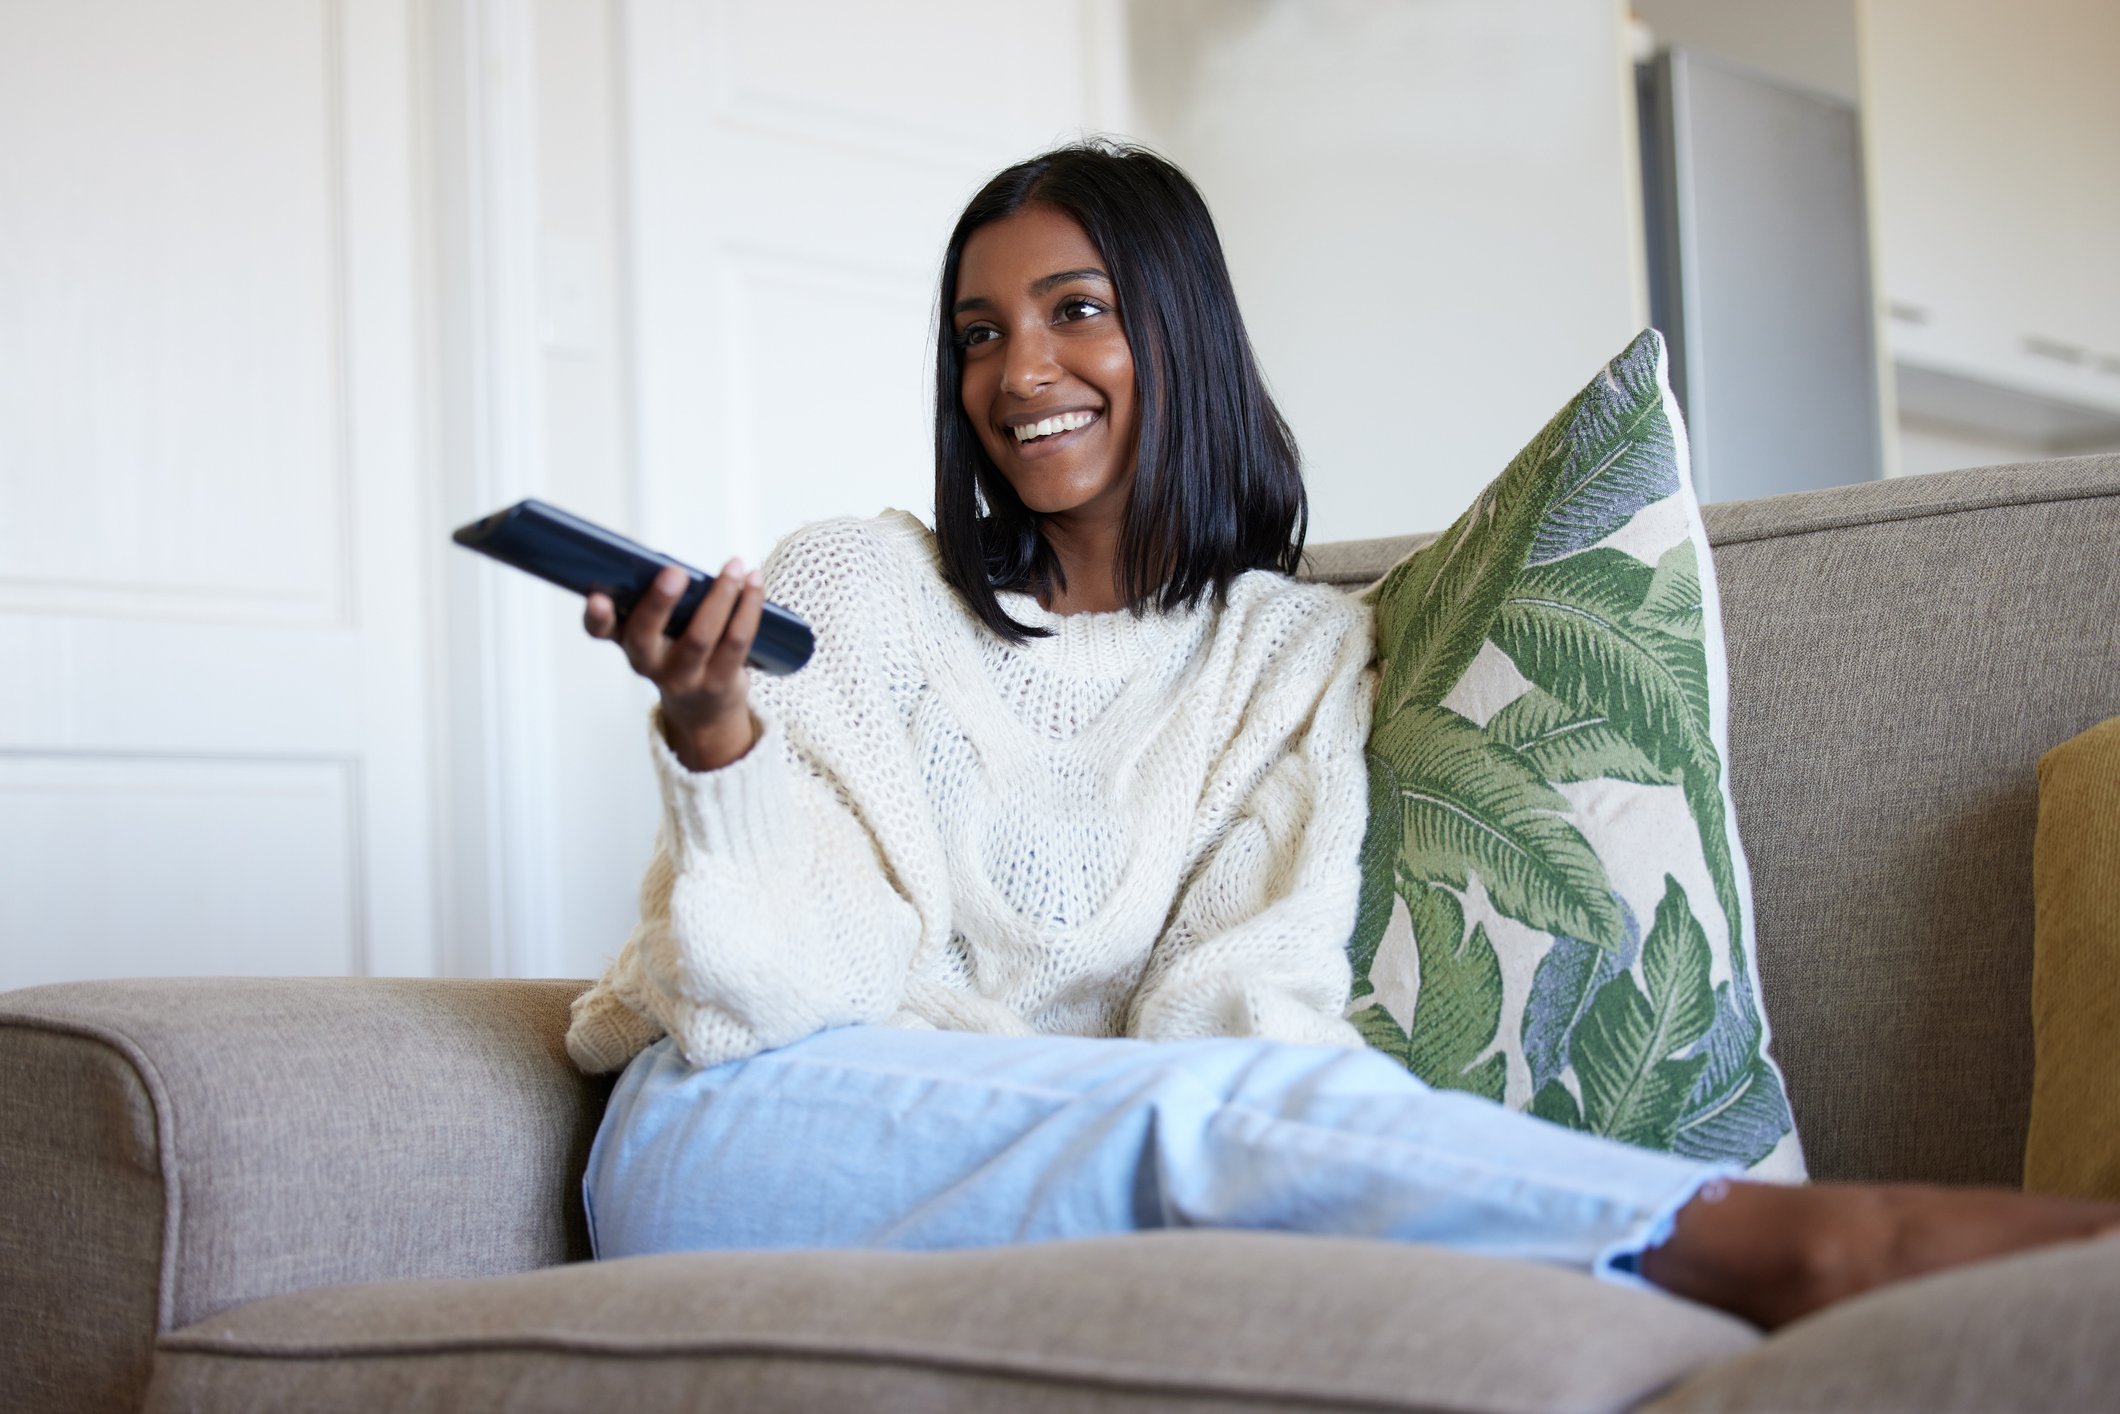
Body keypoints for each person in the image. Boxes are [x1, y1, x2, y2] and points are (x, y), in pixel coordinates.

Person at [564, 140, 2118, 1332]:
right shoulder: (858, 586)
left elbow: (1238, 1006)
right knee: (1201, 1127)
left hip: (1070, 1178)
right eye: (979, 333)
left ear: (1180, 332)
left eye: (1075, 311)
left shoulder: (1291, 656)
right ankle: (1790, 1241)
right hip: (749, 1134)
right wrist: (718, 739)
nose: (1018, 372)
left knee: (1217, 1116)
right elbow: (775, 1003)